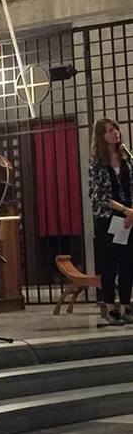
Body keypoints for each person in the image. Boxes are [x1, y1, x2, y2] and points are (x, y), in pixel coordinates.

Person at [88, 118, 133, 325]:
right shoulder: (97, 163)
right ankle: (109, 307)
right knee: (109, 264)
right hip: (108, 218)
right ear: (101, 137)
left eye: (115, 128)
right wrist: (125, 209)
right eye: (109, 130)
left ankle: (126, 306)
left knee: (127, 263)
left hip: (129, 219)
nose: (115, 132)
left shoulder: (127, 159)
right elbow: (98, 195)